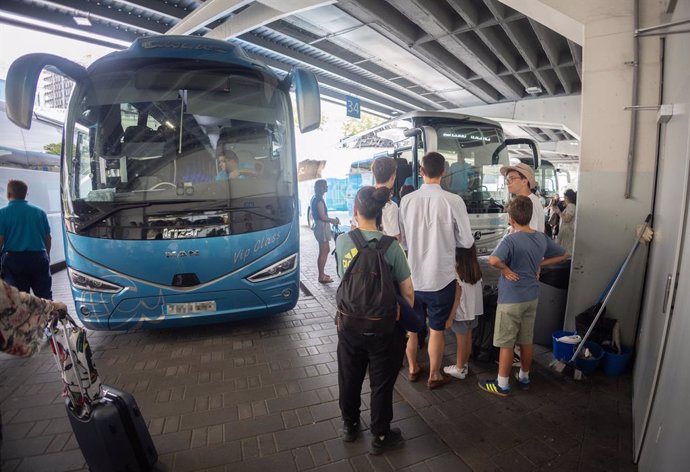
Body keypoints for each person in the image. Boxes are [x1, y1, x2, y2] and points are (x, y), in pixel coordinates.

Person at [335, 186, 413, 455]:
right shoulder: (392, 246)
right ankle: (380, 435)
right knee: (381, 382)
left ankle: (350, 425)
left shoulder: (343, 241)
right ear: (381, 213)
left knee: (349, 376)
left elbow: (342, 277)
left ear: (356, 211)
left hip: (349, 325)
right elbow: (408, 291)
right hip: (383, 328)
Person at [479, 196, 569, 396]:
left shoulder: (510, 240)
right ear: (529, 216)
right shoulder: (540, 237)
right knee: (526, 340)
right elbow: (563, 254)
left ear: (511, 219)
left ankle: (501, 384)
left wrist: (504, 268)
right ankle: (524, 377)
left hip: (511, 299)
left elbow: (493, 260)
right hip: (531, 297)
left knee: (506, 343)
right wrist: (539, 264)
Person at [399, 152, 474, 389]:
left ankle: (412, 368)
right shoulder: (453, 201)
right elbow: (466, 241)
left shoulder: (407, 200)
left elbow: (403, 242)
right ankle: (434, 375)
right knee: (437, 330)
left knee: (412, 330)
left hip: (413, 278)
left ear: (421, 171)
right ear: (444, 172)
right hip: (441, 278)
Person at [0, 180, 53, 299]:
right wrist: (47, 255)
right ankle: (50, 317)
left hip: (14, 261)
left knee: (20, 299)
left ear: (8, 195)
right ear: (25, 194)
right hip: (39, 258)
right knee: (45, 296)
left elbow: (0, 239)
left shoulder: (2, 213)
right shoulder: (40, 212)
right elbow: (48, 238)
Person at [443, 244, 483, 380]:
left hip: (461, 312)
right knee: (468, 337)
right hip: (474, 310)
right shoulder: (475, 268)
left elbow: (457, 296)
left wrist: (451, 315)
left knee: (461, 340)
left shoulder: (456, 270)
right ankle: (464, 364)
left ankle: (459, 368)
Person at [500, 162, 545, 232]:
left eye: (511, 179)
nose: (507, 183)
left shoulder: (530, 203)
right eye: (507, 179)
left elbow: (530, 233)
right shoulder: (523, 201)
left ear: (524, 181)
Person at [311, 179, 340, 284]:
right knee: (323, 251)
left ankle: (322, 274)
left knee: (325, 250)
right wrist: (334, 220)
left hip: (320, 226)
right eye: (325, 186)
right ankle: (321, 276)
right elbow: (323, 217)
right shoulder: (319, 200)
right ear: (321, 188)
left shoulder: (315, 198)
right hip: (322, 227)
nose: (327, 187)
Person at [371, 156, 400, 239]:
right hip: (382, 251)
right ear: (393, 177)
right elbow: (395, 238)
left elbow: (354, 227)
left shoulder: (363, 197)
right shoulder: (390, 205)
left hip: (364, 249)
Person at [554, 189, 577, 253]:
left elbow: (567, 219)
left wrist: (558, 212)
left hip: (568, 231)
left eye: (564, 197)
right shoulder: (570, 206)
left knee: (565, 249)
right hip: (566, 231)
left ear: (567, 198)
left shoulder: (571, 206)